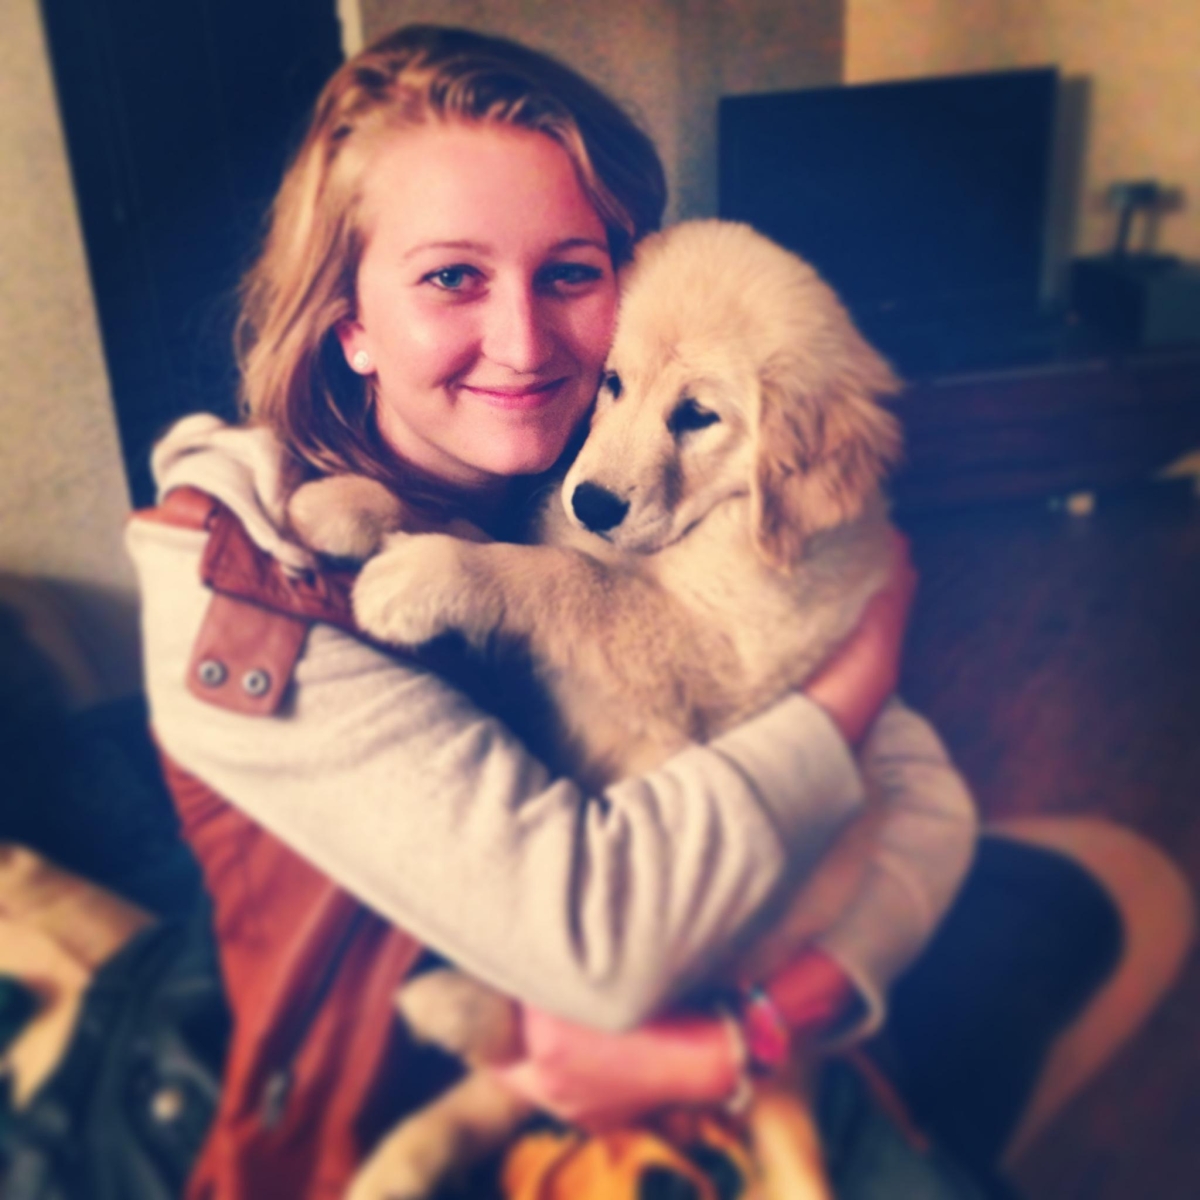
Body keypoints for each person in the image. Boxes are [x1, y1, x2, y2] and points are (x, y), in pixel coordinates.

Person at [124, 24, 1192, 1200]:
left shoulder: (562, 455)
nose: (526, 344)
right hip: (388, 1122)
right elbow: (608, 949)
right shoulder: (241, 597)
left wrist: (762, 1027)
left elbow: (922, 799)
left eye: (570, 272)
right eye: (451, 276)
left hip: (712, 994)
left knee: (1119, 891)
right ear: (351, 324)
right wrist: (858, 670)